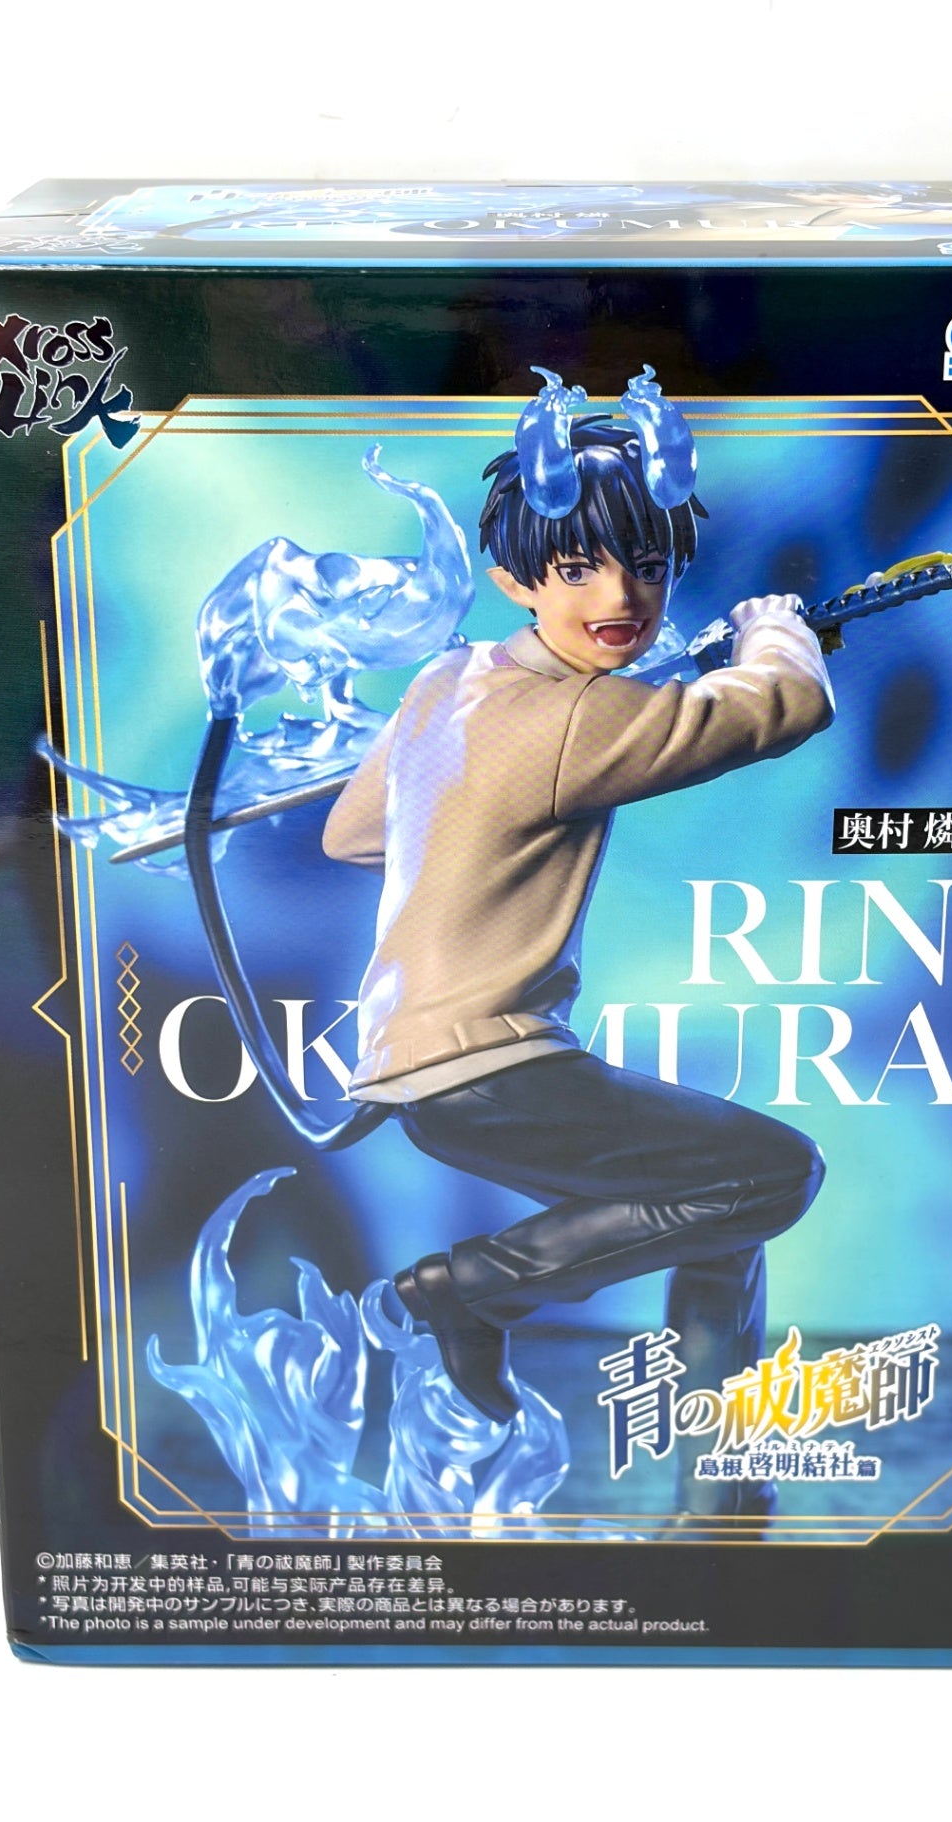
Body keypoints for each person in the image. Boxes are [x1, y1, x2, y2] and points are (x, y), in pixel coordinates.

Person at [323, 393, 834, 1516]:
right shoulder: (575, 720)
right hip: (493, 1068)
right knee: (775, 1172)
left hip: (417, 1072)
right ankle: (465, 1291)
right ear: (517, 577)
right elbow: (787, 703)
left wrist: (461, 798)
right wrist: (774, 626)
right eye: (576, 569)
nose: (620, 598)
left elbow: (352, 834)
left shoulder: (445, 684)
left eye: (646, 566)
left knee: (722, 1212)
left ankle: (717, 1486)